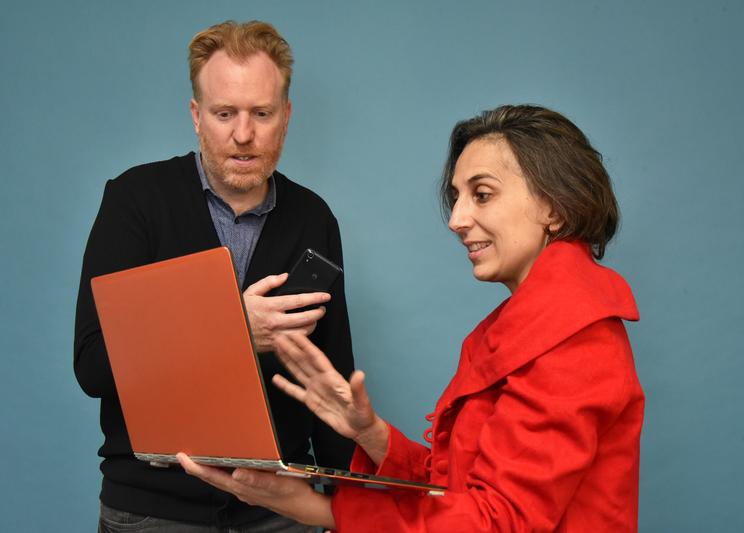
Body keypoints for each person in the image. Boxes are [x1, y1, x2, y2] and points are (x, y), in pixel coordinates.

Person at [179, 104, 646, 532]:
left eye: (482, 195)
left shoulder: (573, 338)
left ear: (555, 208)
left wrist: (318, 508)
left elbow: (496, 523)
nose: (457, 218)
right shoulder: (534, 324)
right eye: (457, 196)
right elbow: (463, 488)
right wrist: (373, 434)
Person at [74, 20, 355, 532]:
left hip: (279, 511)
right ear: (196, 116)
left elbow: (331, 381)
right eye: (225, 113)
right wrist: (231, 330)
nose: (243, 135)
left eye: (261, 114)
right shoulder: (134, 201)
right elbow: (93, 367)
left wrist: (353, 510)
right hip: (152, 510)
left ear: (286, 118)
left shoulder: (315, 219)